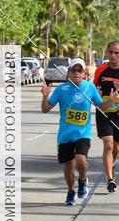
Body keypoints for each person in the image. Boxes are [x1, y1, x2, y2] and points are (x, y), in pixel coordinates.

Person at [41, 57, 118, 205]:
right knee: (68, 164)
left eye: (79, 70)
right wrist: (45, 97)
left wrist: (111, 100)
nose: (77, 73)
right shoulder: (61, 89)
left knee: (80, 159)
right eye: (73, 70)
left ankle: (82, 180)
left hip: (83, 133)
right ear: (68, 73)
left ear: (84, 73)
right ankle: (71, 191)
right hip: (65, 135)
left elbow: (101, 108)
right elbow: (45, 109)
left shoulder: (90, 88)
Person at [93, 41, 119, 192]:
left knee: (116, 147)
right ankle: (110, 179)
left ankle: (111, 164)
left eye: (117, 53)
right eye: (111, 52)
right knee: (108, 144)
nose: (114, 56)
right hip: (104, 112)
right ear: (107, 53)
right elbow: (93, 90)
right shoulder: (101, 70)